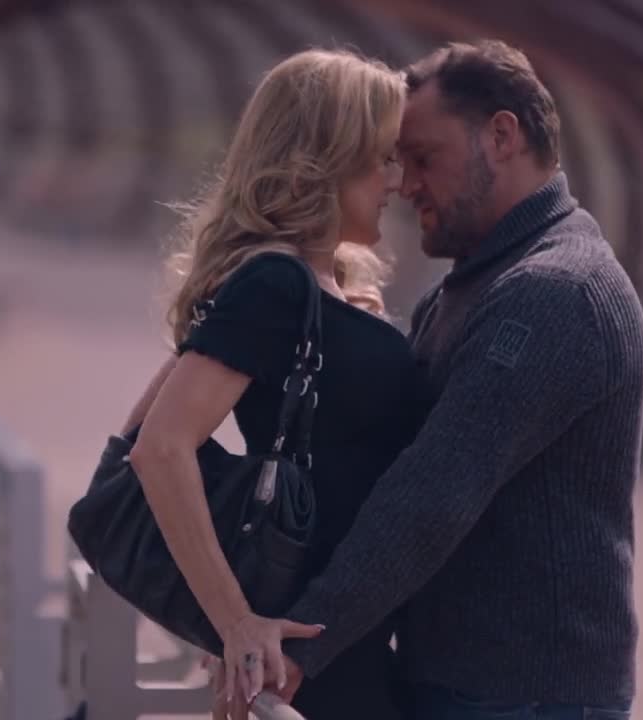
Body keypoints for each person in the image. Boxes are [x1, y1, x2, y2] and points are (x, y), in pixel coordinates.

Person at [240, 40, 643, 719]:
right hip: (470, 686)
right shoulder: (470, 288)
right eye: (397, 161)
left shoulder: (555, 292)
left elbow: (434, 491)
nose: (404, 184)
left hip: (525, 698)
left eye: (424, 157)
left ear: (502, 136)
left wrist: (302, 640)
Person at [119, 49, 435, 718]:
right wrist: (234, 621)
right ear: (328, 158)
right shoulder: (274, 282)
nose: (397, 180)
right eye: (382, 158)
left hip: (345, 638)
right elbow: (158, 446)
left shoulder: (313, 288)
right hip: (314, 654)